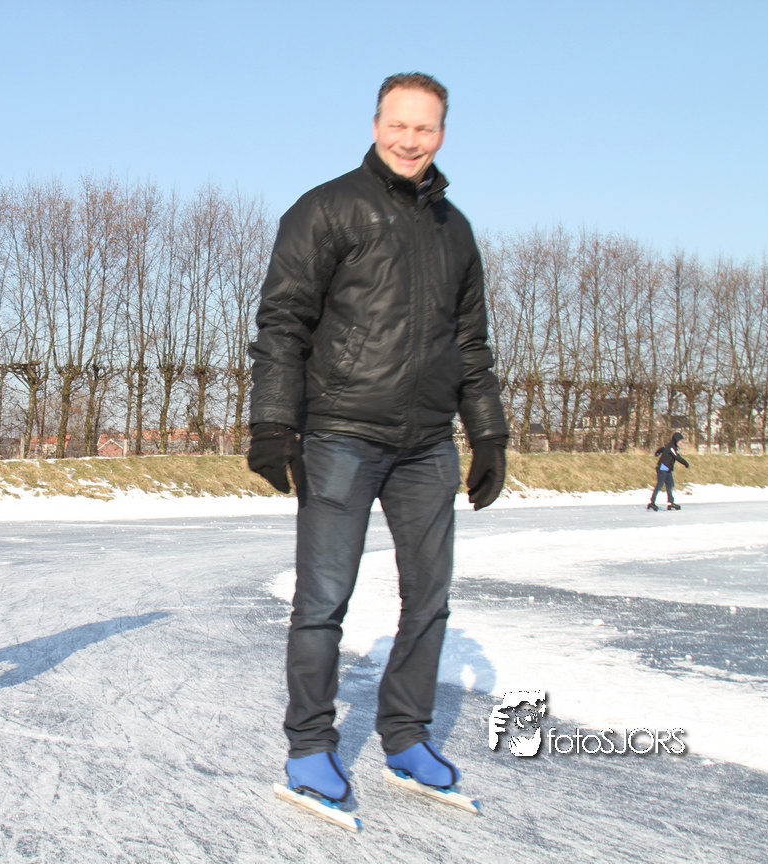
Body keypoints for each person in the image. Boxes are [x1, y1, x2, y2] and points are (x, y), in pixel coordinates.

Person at [247, 73, 509, 805]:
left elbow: (471, 343)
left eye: (424, 128)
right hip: (340, 433)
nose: (409, 140)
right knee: (324, 599)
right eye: (398, 124)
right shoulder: (326, 208)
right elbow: (284, 321)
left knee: (429, 598)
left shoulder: (454, 230)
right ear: (375, 125)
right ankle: (310, 746)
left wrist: (488, 434)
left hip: (426, 444)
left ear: (441, 135)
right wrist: (274, 421)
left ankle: (406, 734)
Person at [648, 431, 689, 511]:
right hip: (663, 467)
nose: (681, 443)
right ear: (676, 440)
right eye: (680, 441)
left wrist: (657, 453)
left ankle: (670, 503)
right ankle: (652, 502)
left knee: (670, 484)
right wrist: (686, 463)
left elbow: (662, 449)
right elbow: (677, 457)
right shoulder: (671, 447)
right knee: (660, 484)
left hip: (667, 468)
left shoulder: (670, 446)